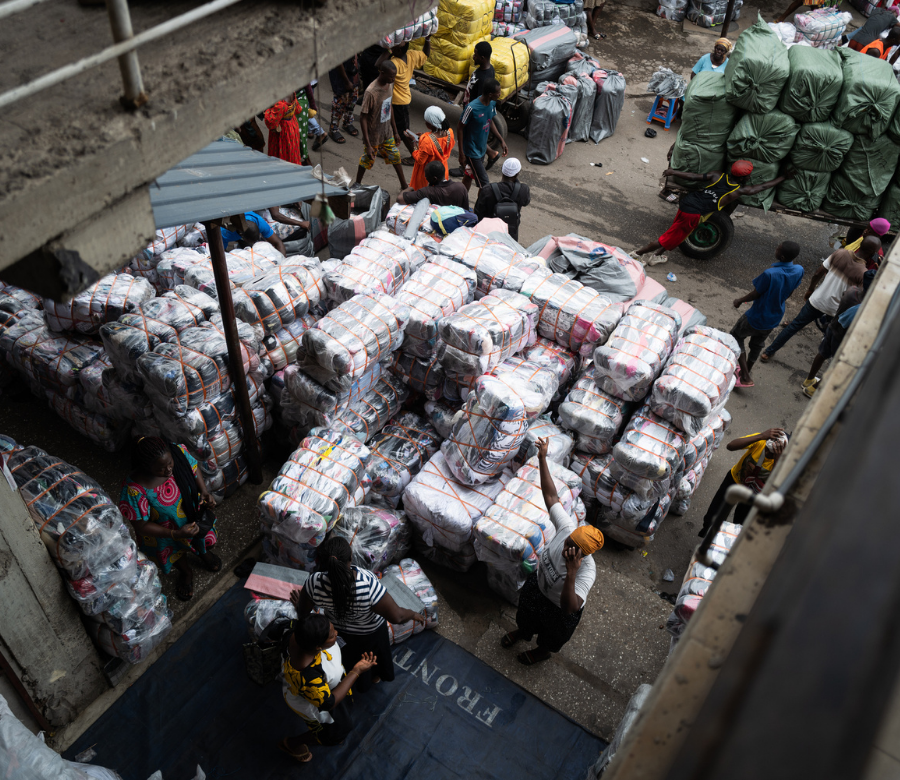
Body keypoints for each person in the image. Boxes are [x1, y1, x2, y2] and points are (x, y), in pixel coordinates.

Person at [499, 438, 602, 666]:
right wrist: (542, 459)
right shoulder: (567, 529)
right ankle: (522, 632)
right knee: (525, 617)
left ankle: (542, 651)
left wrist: (572, 574)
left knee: (550, 636)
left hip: (558, 610)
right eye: (567, 542)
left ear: (582, 555)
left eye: (571, 549)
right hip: (537, 588)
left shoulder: (587, 570)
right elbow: (551, 497)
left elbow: (569, 607)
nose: (565, 546)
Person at [290, 536, 425, 692]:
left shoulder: (314, 583)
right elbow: (397, 617)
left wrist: (300, 604)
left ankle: (355, 681)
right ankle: (375, 677)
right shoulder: (366, 584)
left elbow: (303, 614)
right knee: (371, 659)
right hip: (370, 635)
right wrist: (413, 614)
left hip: (339, 634)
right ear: (351, 558)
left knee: (349, 659)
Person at [632, 161, 794, 265]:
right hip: (693, 213)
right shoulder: (739, 190)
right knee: (668, 237)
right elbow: (763, 187)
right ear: (745, 178)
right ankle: (637, 253)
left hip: (687, 203)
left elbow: (694, 176)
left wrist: (673, 172)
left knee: (678, 234)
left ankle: (656, 257)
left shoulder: (717, 175)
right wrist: (782, 178)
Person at [118, 437, 219, 601]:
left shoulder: (178, 452)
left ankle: (203, 554)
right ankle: (186, 572)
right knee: (176, 552)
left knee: (198, 538)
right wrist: (175, 534)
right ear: (145, 467)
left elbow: (193, 469)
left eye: (170, 463)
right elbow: (141, 525)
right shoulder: (134, 489)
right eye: (160, 469)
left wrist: (204, 491)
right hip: (165, 532)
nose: (168, 470)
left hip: (190, 514)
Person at [279, 614, 377, 763]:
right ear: (318, 647)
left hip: (320, 691)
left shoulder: (299, 635)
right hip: (316, 705)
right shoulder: (308, 677)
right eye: (332, 636)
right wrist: (356, 671)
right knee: (332, 731)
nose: (336, 633)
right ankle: (291, 744)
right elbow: (328, 703)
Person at [760, 238, 877, 363]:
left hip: (817, 300)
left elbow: (818, 272)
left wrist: (811, 289)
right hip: (834, 311)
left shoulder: (840, 253)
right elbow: (857, 297)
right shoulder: (863, 273)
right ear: (872, 254)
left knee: (794, 326)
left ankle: (768, 352)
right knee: (828, 333)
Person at [729, 241, 804, 387]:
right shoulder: (799, 270)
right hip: (775, 317)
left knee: (736, 336)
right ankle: (747, 370)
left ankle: (745, 376)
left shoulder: (770, 274)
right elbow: (791, 291)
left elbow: (756, 294)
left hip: (757, 315)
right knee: (757, 345)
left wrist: (739, 300)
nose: (776, 249)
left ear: (781, 256)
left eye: (778, 248)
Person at [698, 429, 789, 537]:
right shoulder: (761, 441)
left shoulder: (781, 460)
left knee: (740, 524)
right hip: (734, 480)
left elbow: (773, 483)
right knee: (713, 516)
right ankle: (708, 535)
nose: (767, 452)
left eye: (771, 453)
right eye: (767, 449)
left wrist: (777, 459)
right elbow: (730, 446)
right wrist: (760, 435)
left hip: (753, 493)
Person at [802, 269, 876, 397]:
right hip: (842, 339)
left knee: (822, 354)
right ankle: (813, 390)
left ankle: (809, 380)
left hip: (832, 328)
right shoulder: (866, 308)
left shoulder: (851, 291)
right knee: (835, 366)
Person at [355, 61, 408, 189]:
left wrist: (395, 131)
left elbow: (390, 108)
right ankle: (356, 183)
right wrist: (367, 144)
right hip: (374, 135)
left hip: (387, 132)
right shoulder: (371, 92)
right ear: (382, 73)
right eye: (391, 76)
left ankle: (404, 185)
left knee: (395, 156)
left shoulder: (390, 85)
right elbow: (363, 117)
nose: (393, 79)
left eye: (394, 76)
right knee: (367, 159)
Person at [377, 40, 431, 165]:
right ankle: (386, 149)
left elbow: (378, 64)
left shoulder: (394, 63)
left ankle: (415, 156)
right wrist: (427, 40)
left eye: (394, 47)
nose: (392, 48)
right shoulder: (411, 55)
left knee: (404, 131)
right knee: (388, 125)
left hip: (398, 102)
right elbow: (425, 54)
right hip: (402, 99)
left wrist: (389, 50)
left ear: (399, 50)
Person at [457, 78, 508, 193]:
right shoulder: (471, 108)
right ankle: (480, 210)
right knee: (485, 185)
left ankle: (460, 201)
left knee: (469, 175)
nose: (500, 94)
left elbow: (490, 121)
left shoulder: (492, 104)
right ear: (490, 94)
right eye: (498, 92)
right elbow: (460, 128)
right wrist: (461, 154)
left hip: (481, 149)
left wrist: (501, 140)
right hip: (472, 151)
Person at [473, 157, 531, 240]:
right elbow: (526, 202)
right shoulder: (523, 189)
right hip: (511, 233)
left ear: (502, 170)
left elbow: (478, 212)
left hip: (489, 233)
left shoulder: (488, 190)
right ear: (517, 174)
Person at [408, 106, 455, 190]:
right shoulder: (450, 132)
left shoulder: (427, 140)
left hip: (427, 174)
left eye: (426, 121)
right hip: (442, 170)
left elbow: (420, 160)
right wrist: (424, 135)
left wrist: (414, 143)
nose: (425, 123)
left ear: (430, 124)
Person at [397, 160, 470, 208]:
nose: (425, 177)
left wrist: (409, 188)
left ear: (434, 178)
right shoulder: (460, 187)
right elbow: (465, 210)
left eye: (426, 176)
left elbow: (400, 199)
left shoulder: (427, 192)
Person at [328, 55, 360, 144]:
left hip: (351, 67)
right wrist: (346, 81)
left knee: (353, 98)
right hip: (340, 72)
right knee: (339, 102)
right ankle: (333, 129)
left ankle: (347, 122)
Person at [219, 212, 286, 255]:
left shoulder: (260, 223)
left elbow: (278, 243)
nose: (254, 243)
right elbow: (221, 255)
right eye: (252, 241)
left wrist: (282, 264)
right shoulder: (225, 234)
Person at [264, 94, 304, 165]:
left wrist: (268, 108)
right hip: (292, 126)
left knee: (282, 157)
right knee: (292, 154)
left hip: (284, 132)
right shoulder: (292, 92)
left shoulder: (280, 104)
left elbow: (271, 122)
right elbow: (298, 109)